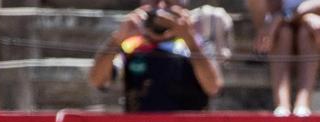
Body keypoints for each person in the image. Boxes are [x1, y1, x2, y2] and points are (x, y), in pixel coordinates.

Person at [88, 1, 225, 112]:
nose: (161, 8)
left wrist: (190, 40)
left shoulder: (196, 45)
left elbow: (213, 87)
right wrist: (117, 39)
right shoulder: (130, 45)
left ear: (181, 7)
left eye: (168, 3)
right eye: (154, 2)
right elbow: (97, 80)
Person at [250, 0, 320, 116]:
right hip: (288, 43)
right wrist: (304, 17)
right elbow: (274, 13)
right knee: (283, 32)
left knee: (306, 32)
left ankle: (302, 106)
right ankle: (282, 107)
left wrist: (283, 17)